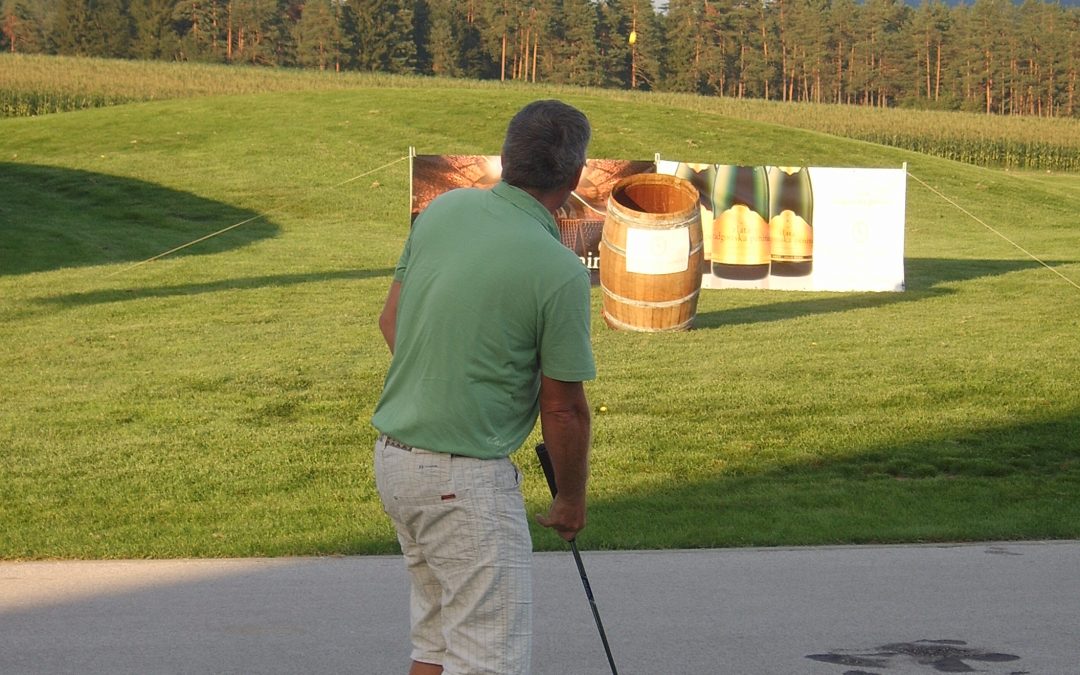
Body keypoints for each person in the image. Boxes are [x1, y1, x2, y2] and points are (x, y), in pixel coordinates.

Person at [371, 99, 596, 675]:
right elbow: (564, 410)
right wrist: (570, 499)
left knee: (436, 646)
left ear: (507, 157)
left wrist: (451, 377)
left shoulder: (443, 210)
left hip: (396, 462)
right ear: (574, 176)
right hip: (463, 482)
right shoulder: (560, 270)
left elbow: (391, 320)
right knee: (488, 659)